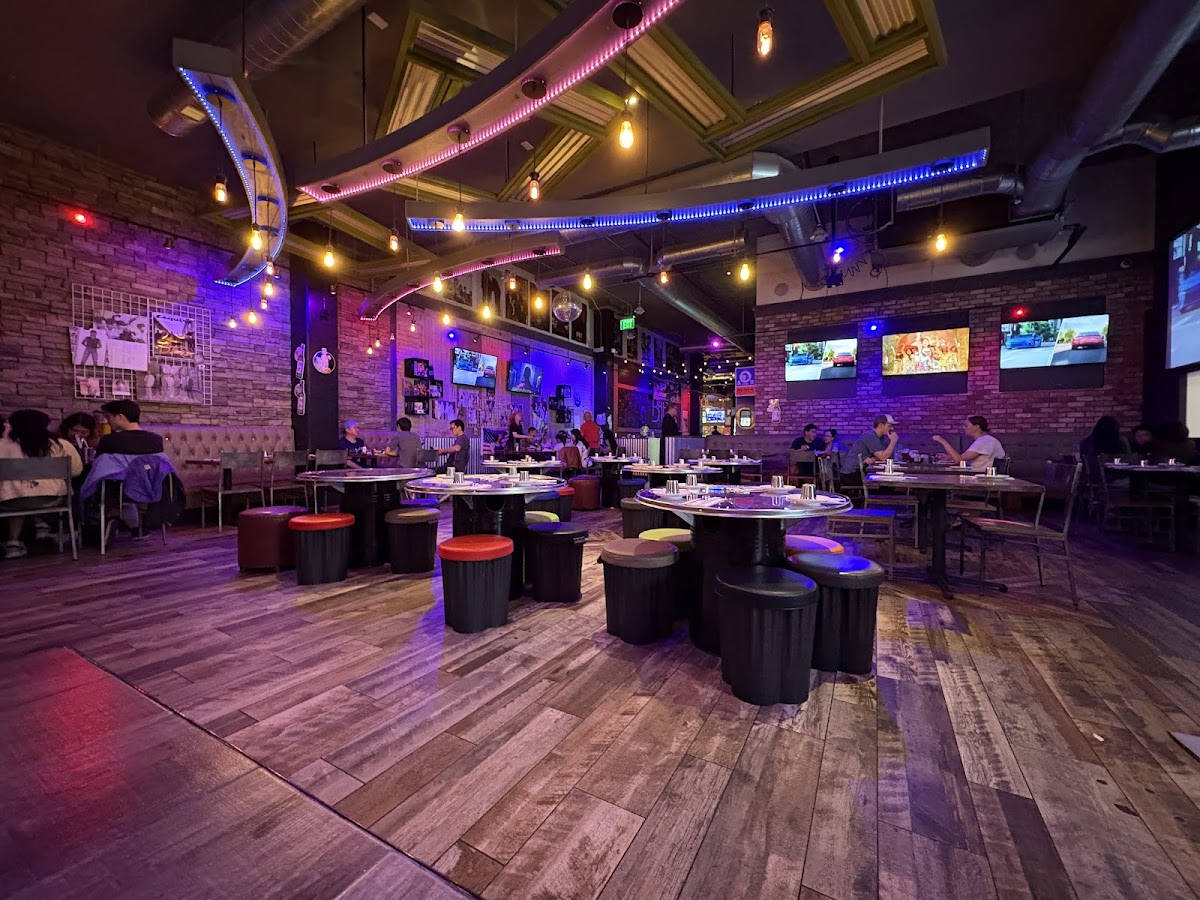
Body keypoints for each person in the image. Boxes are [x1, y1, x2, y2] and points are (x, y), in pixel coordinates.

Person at [1, 409, 83, 559]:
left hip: (10, 501)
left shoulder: (2, 445)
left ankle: (14, 543)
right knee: (36, 493)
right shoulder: (61, 445)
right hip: (53, 500)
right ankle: (44, 527)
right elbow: (76, 471)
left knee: (19, 493)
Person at [933, 416, 1006, 471]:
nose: (964, 428)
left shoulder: (985, 441)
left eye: (966, 425)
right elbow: (965, 459)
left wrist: (943, 441)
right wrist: (949, 457)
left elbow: (959, 460)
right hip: (976, 475)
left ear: (976, 427)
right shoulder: (986, 440)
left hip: (980, 479)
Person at [96, 400, 163, 455]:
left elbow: (99, 465)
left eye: (108, 416)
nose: (107, 421)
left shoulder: (109, 441)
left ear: (119, 417)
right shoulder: (156, 440)